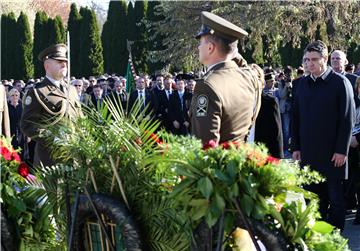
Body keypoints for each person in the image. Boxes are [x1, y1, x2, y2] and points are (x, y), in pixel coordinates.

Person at [291, 40, 355, 231]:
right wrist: (295, 147)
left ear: (325, 59)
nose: (309, 63)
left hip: (333, 155)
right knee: (312, 199)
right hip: (309, 153)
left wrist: (341, 151)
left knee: (335, 200)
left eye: (314, 59)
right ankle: (317, 236)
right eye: (306, 59)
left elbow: (347, 120)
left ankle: (334, 238)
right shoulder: (300, 84)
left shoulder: (340, 83)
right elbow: (296, 118)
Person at [191, 11, 263, 144]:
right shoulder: (249, 77)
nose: (198, 47)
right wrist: (231, 52)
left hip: (219, 163)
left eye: (200, 42)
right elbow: (251, 69)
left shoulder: (206, 86)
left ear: (211, 48)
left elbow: (206, 146)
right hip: (241, 158)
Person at [20, 44, 82, 168]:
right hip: (50, 160)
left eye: (65, 61)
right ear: (47, 65)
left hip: (74, 159)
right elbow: (27, 125)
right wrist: (53, 138)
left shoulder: (72, 90)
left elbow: (80, 119)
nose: (64, 64)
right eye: (59, 61)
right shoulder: (38, 92)